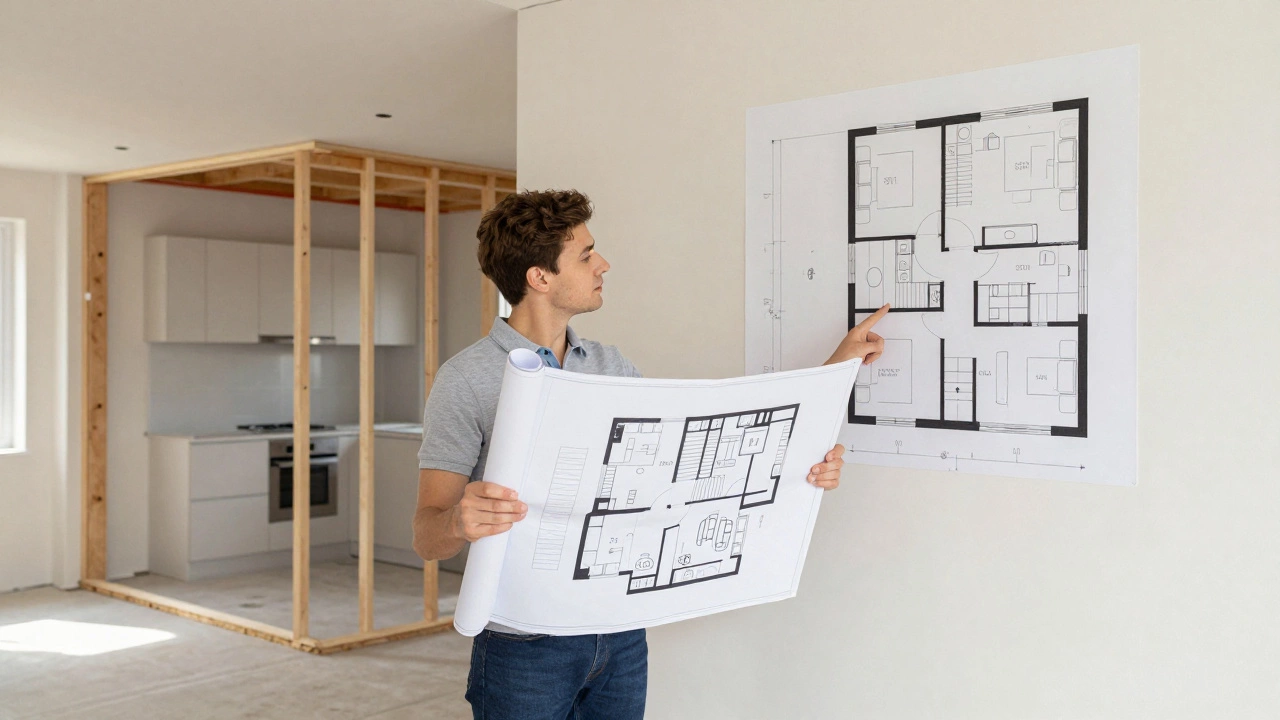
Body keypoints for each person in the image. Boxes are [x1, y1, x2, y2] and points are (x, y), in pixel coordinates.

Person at [412, 189, 888, 720]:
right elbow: (427, 537)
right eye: (586, 255)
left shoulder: (612, 366)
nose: (603, 264)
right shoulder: (466, 379)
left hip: (620, 636)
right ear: (539, 277)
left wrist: (806, 457)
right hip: (525, 648)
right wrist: (459, 520)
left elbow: (688, 465)